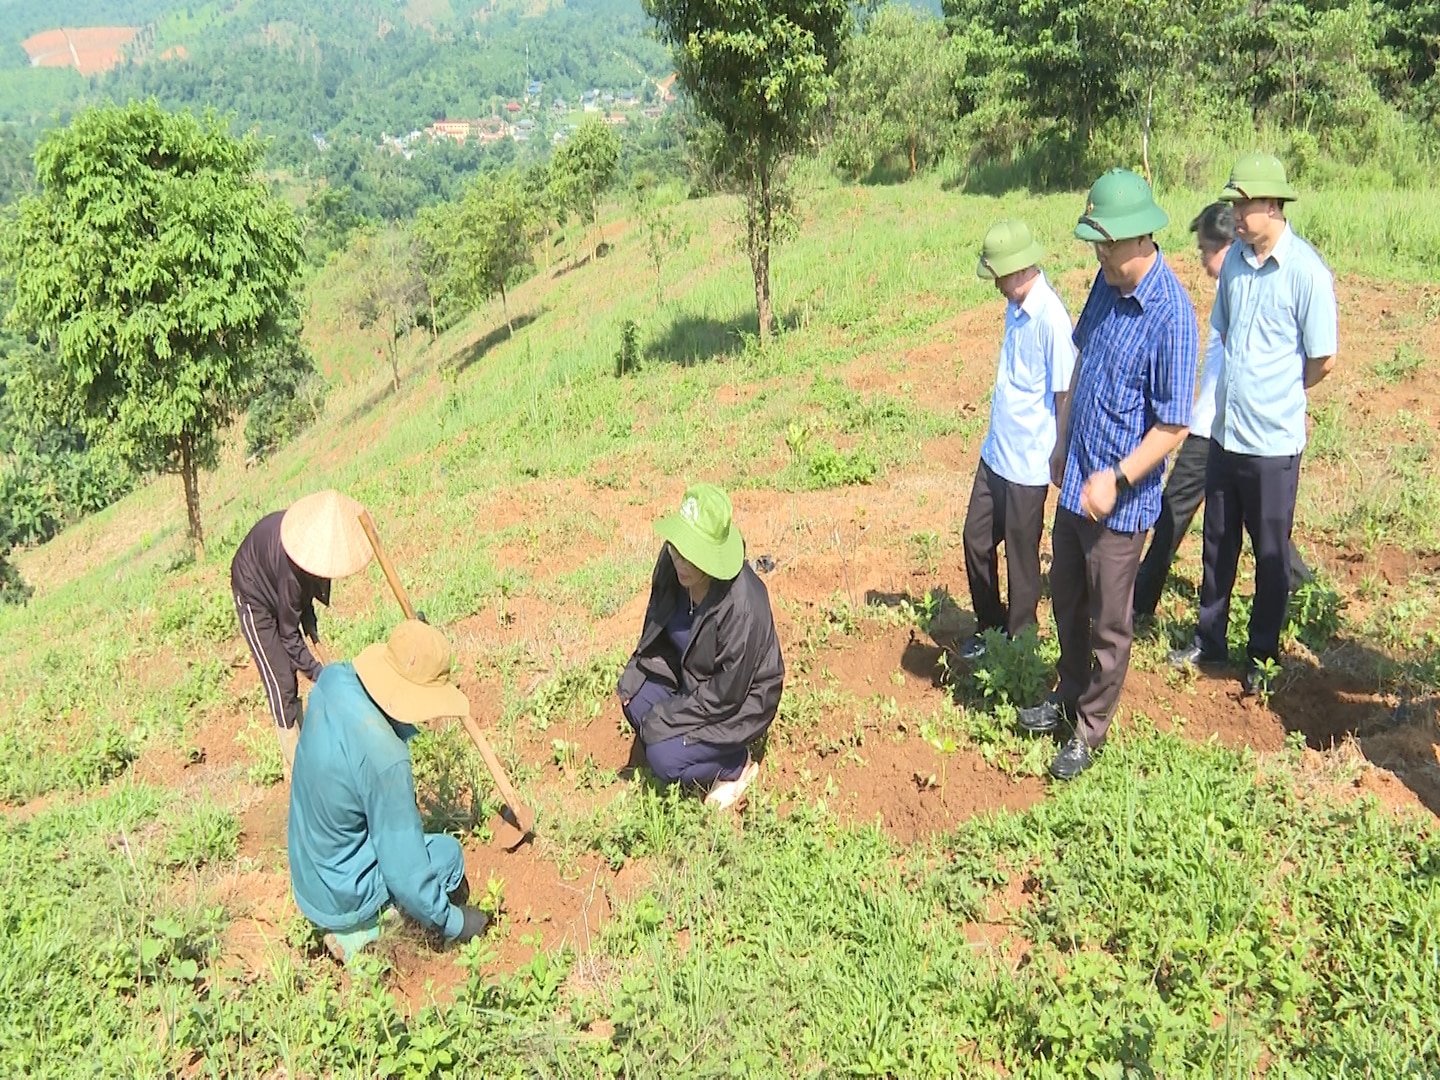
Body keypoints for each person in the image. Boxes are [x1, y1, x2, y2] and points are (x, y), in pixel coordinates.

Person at [1015, 169, 1199, 780]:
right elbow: (1084, 363)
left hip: (1119, 503)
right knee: (1066, 597)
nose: (1098, 253)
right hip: (1076, 485)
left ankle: (1090, 729)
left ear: (1139, 238)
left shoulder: (1172, 315)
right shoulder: (1104, 284)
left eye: (1105, 243)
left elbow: (1172, 426)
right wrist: (1063, 444)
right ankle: (1067, 693)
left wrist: (1115, 479)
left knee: (1109, 622)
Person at [1169, 153, 1338, 696]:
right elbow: (1223, 330)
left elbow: (1322, 359)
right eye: (1236, 204)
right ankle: (1209, 638)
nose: (1236, 215)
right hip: (1227, 432)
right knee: (1216, 544)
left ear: (1272, 206)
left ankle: (1261, 655)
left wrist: (1280, 391)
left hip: (1273, 441)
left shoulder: (1307, 272)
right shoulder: (1236, 265)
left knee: (1269, 554)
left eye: (1245, 205)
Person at [1131, 204, 1313, 623]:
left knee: (1175, 511)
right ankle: (1304, 589)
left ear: (1228, 246)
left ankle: (1139, 602)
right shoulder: (1231, 290)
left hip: (1215, 427)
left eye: (1205, 251)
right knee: (1251, 518)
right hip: (1215, 421)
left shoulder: (1248, 289)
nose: (1202, 262)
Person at [288, 619, 491, 963]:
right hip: (342, 894)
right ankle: (367, 929)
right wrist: (455, 921)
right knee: (447, 857)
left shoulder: (333, 679)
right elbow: (407, 873)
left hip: (308, 872)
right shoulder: (386, 760)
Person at [617, 483, 784, 809]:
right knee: (635, 700)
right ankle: (686, 746)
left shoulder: (742, 607)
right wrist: (636, 670)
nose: (680, 560)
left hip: (735, 703)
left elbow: (726, 695)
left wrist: (665, 717)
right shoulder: (671, 565)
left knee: (663, 758)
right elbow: (656, 628)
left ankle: (735, 764)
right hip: (689, 677)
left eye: (691, 554)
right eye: (677, 547)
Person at [959, 219, 1077, 662]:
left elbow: (1065, 392)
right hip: (996, 454)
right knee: (975, 539)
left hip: (1028, 463)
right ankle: (991, 627)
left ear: (1020, 267)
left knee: (1022, 563)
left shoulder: (1051, 319)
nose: (997, 287)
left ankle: (1021, 645)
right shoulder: (1016, 307)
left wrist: (1060, 449)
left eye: (999, 276)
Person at [231, 489, 373, 774]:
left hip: (278, 579)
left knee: (293, 673)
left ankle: (310, 749)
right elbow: (288, 635)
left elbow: (303, 597)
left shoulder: (314, 552)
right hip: (254, 594)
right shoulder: (291, 574)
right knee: (282, 680)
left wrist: (310, 623)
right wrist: (321, 675)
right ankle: (298, 768)